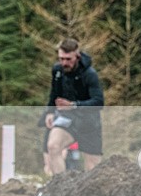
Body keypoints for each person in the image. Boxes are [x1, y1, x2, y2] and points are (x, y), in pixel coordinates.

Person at [41, 38, 104, 175]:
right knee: (53, 146)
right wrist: (50, 112)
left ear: (77, 56)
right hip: (67, 119)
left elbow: (98, 102)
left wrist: (74, 105)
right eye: (61, 58)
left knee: (93, 168)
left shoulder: (90, 74)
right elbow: (54, 94)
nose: (64, 63)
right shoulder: (57, 70)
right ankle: (59, 187)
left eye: (68, 59)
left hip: (89, 123)